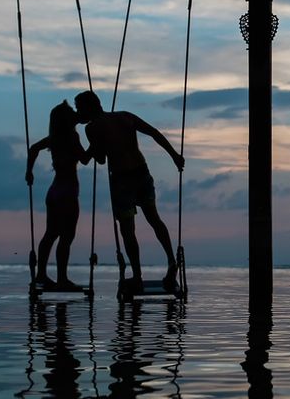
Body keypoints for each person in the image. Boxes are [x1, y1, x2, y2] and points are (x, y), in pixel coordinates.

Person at [74, 90, 185, 292]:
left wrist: (91, 144)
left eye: (79, 109)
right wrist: (174, 156)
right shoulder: (125, 116)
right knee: (154, 218)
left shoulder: (92, 128)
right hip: (142, 172)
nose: (77, 112)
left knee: (128, 230)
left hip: (122, 179)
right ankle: (171, 261)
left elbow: (100, 159)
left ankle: (137, 275)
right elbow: (154, 133)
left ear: (87, 109)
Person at [26, 100, 91, 289]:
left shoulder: (54, 137)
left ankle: (41, 275)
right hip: (68, 192)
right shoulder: (72, 136)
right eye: (71, 113)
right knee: (67, 236)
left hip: (54, 192)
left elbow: (33, 149)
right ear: (65, 119)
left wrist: (29, 171)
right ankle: (62, 278)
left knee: (51, 234)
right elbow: (85, 159)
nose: (74, 115)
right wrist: (96, 145)